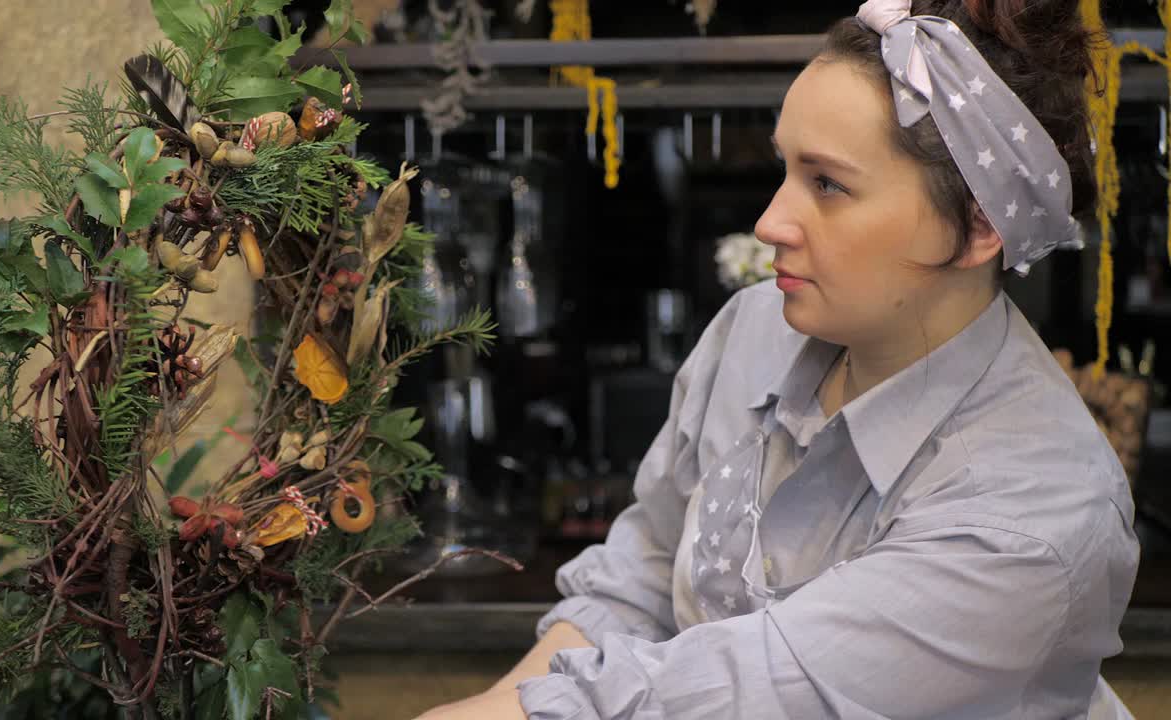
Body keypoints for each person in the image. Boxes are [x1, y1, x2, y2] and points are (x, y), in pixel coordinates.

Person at [415, 1, 1140, 717]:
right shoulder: (754, 332)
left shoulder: (1029, 521)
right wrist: (491, 705)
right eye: (785, 168)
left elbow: (752, 690)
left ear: (979, 225)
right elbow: (640, 579)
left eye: (827, 184)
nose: (768, 222)